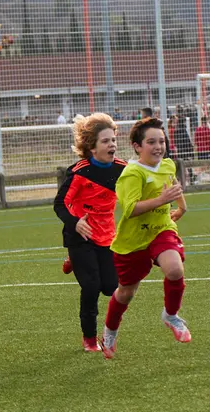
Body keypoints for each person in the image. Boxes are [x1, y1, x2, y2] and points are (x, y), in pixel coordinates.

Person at [99, 117, 191, 359]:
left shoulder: (168, 165)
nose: (158, 146)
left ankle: (171, 316)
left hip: (161, 229)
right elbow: (130, 209)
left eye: (162, 141)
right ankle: (110, 331)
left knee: (174, 270)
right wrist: (161, 200)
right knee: (125, 292)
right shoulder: (132, 174)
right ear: (137, 146)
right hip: (133, 241)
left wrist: (181, 207)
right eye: (151, 142)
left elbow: (173, 185)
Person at [53, 113, 126, 352]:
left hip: (107, 236)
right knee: (92, 286)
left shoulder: (123, 169)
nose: (112, 145)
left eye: (113, 140)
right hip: (80, 236)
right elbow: (60, 204)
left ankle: (74, 262)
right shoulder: (79, 172)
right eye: (105, 141)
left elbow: (137, 193)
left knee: (110, 287)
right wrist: (75, 222)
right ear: (92, 147)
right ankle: (89, 338)